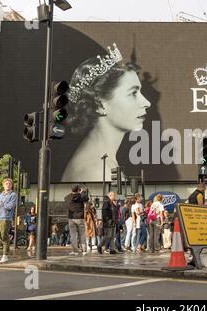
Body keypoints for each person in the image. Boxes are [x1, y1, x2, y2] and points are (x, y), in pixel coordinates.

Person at [62, 43, 151, 182]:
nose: (147, 102)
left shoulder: (101, 162)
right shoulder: (97, 171)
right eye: (133, 93)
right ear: (100, 104)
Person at [64, 184, 89, 256]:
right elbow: (86, 198)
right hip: (80, 217)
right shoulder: (81, 196)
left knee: (73, 235)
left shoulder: (67, 197)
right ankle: (84, 250)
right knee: (82, 234)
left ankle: (75, 251)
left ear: (71, 189)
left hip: (71, 218)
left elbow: (66, 202)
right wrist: (82, 192)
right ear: (78, 189)